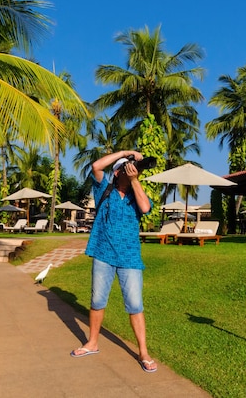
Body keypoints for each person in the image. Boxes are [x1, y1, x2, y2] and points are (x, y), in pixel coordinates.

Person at [70, 150, 157, 373]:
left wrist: (135, 180)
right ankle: (92, 343)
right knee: (97, 300)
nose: (132, 169)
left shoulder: (136, 195)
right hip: (103, 254)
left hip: (129, 258)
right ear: (118, 172)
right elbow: (96, 166)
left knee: (135, 305)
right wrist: (127, 153)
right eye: (127, 167)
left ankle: (143, 352)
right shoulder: (104, 191)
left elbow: (146, 208)